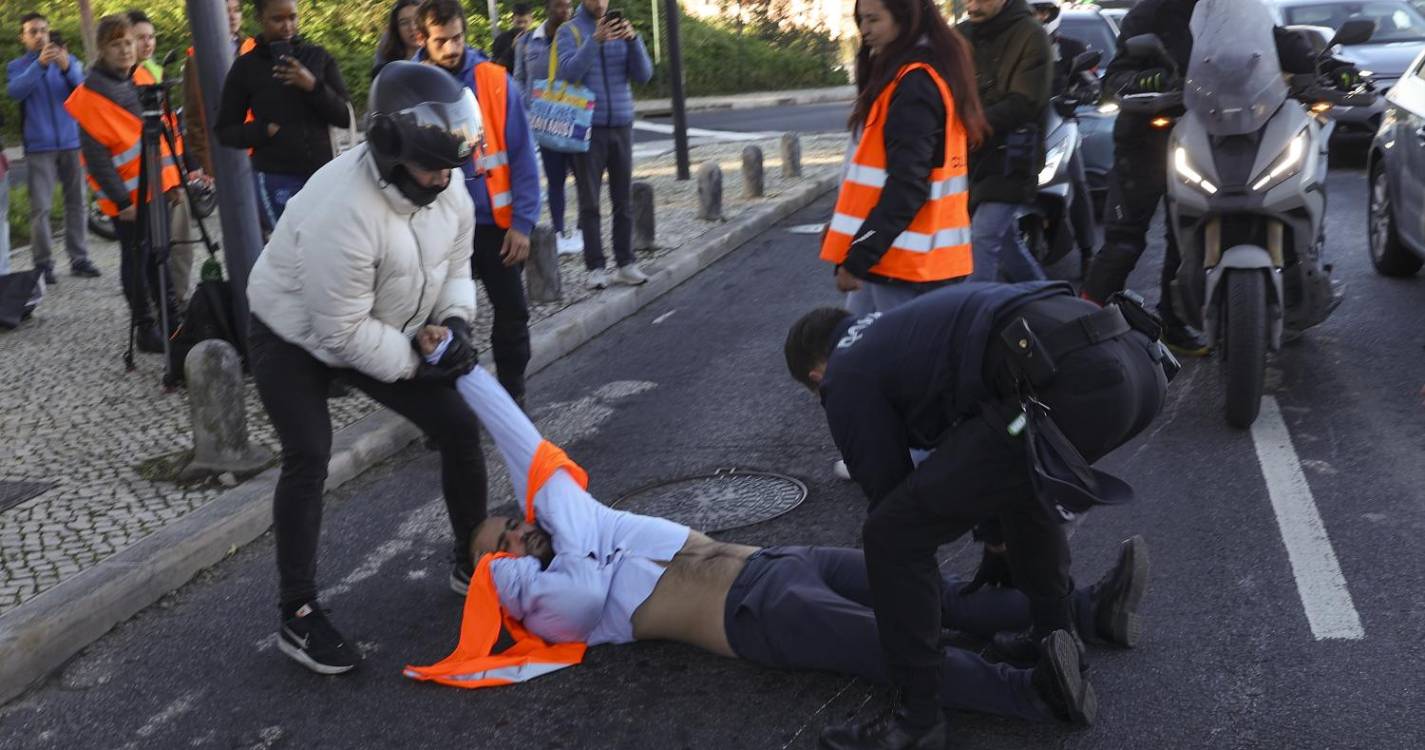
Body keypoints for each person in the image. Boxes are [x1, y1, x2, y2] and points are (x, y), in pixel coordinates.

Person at [407, 363, 1155, 731]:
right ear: (494, 577)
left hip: (783, 559)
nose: (513, 531)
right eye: (498, 547)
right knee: (892, 646)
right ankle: (1033, 695)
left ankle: (1087, 613)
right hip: (757, 615)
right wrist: (504, 571)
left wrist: (466, 370)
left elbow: (525, 445)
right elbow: (577, 591)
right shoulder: (548, 603)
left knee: (940, 595)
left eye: (506, 521)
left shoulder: (576, 520)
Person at [785, 281, 1171, 748]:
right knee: (1020, 477)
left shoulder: (844, 373)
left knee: (892, 536)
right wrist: (993, 534)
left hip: (1065, 385)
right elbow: (976, 451)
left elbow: (891, 493)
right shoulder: (899, 330)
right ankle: (1055, 636)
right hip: (1137, 366)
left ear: (815, 374)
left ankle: (917, 720)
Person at [245, 61, 489, 675]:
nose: (445, 179)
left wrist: (454, 326)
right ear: (388, 150)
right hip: (293, 330)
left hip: (376, 322)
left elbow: (456, 267)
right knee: (309, 454)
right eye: (432, 167)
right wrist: (419, 362)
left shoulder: (445, 182)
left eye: (450, 167)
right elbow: (340, 333)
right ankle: (296, 615)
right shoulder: (342, 212)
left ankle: (470, 560)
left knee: (459, 426)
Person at [1080, 0, 1351, 355]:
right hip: (1146, 136)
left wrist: (1326, 65)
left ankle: (1174, 324)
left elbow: (1275, 43)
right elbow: (1115, 77)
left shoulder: (1234, 9)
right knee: (1124, 241)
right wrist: (1140, 79)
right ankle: (1081, 326)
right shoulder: (1150, 13)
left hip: (1211, 132)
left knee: (1189, 235)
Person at [823, 0, 987, 317]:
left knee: (890, 359)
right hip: (897, 259)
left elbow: (907, 186)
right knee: (858, 352)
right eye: (860, 20)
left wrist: (858, 255)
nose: (864, 30)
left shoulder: (914, 84)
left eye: (873, 19)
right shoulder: (915, 75)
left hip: (905, 266)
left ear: (904, 20)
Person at [418, 0, 542, 407]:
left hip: (494, 226)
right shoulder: (408, 84)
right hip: (436, 228)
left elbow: (522, 155)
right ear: (423, 39)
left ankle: (512, 395)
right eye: (442, 41)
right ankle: (448, 406)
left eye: (457, 38)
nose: (452, 48)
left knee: (512, 314)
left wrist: (523, 223)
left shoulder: (495, 80)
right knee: (440, 321)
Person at [64, 15, 184, 354]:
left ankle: (172, 322)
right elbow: (97, 159)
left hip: (155, 189)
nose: (125, 50)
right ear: (102, 49)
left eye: (128, 42)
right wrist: (121, 202)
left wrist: (172, 180)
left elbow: (159, 138)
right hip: (129, 198)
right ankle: (145, 327)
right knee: (138, 259)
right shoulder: (89, 95)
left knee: (158, 256)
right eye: (116, 44)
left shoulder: (139, 78)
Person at [215, 0, 351, 225]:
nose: (287, 26)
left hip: (322, 174)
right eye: (277, 19)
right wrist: (263, 131)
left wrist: (313, 86)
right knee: (289, 250)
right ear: (259, 18)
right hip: (275, 177)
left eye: (292, 17)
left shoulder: (318, 56)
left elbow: (344, 117)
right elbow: (225, 131)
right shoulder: (245, 67)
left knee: (325, 247)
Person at [557, 0, 653, 289]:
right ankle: (595, 266)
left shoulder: (623, 32)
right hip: (588, 126)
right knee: (590, 202)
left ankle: (626, 262)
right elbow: (569, 73)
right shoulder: (570, 30)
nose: (600, 3)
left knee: (623, 200)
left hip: (622, 124)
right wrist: (595, 41)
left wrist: (633, 41)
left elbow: (644, 75)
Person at [957, 0, 1052, 283]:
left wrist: (968, 122)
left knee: (983, 239)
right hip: (968, 158)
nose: (972, 5)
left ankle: (974, 320)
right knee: (1007, 245)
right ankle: (1052, 304)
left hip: (1011, 157)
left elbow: (1025, 103)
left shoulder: (1031, 35)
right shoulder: (959, 35)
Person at [6, 12, 99, 284]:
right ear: (23, 37)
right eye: (33, 31)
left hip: (71, 142)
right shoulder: (18, 65)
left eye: (43, 30)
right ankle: (43, 264)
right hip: (40, 147)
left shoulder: (68, 61)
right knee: (41, 209)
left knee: (78, 204)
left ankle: (79, 258)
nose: (39, 36)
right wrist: (40, 66)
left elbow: (85, 88)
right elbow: (15, 92)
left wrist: (67, 66)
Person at [126, 8, 206, 308]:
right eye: (140, 38)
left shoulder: (153, 71)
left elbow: (171, 128)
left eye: (151, 37)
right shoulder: (128, 79)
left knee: (181, 244)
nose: (147, 44)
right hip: (151, 180)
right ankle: (164, 306)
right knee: (155, 249)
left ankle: (177, 301)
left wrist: (189, 165)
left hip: (172, 174)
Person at [1032, 0, 1098, 277]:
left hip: (1059, 125)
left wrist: (1082, 94)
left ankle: (1087, 252)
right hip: (1016, 127)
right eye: (1031, 12)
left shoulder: (1071, 48)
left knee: (1079, 182)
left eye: (1041, 11)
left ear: (1050, 14)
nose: (1036, 17)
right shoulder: (1013, 47)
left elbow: (1092, 85)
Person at [514, 0, 583, 256]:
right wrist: (528, 105)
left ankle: (581, 231)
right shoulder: (528, 41)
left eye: (567, 6)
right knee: (555, 179)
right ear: (547, 8)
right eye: (558, 6)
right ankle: (558, 232)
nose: (564, 11)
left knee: (583, 178)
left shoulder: (579, 37)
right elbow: (519, 77)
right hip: (545, 119)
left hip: (575, 117)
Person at [183, 0, 254, 179]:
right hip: (224, 155)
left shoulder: (255, 48)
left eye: (236, 10)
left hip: (260, 151)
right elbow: (194, 117)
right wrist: (207, 163)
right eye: (226, 11)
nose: (232, 16)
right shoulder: (197, 57)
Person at [372, 0, 425, 76]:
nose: (412, 27)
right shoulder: (385, 70)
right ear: (396, 29)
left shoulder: (440, 62)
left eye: (417, 20)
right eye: (404, 23)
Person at [491, 2, 534, 70]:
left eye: (525, 22)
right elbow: (494, 66)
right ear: (512, 19)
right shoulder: (501, 39)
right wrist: (512, 48)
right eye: (519, 22)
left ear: (531, 20)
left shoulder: (535, 38)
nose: (522, 26)